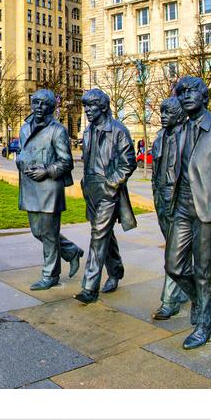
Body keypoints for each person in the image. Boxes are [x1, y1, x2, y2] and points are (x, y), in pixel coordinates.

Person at [165, 75, 211, 349]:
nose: (185, 96)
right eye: (181, 92)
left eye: (191, 92)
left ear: (205, 97)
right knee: (173, 265)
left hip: (208, 210)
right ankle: (198, 297)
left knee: (204, 270)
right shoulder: (181, 130)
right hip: (182, 207)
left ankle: (204, 323)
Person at [74, 88, 137, 304]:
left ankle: (89, 288)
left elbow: (129, 162)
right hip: (91, 189)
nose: (87, 111)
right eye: (85, 107)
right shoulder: (89, 131)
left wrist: (111, 185)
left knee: (98, 236)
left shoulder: (118, 130)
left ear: (102, 106)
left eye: (91, 106)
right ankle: (116, 270)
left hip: (108, 191)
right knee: (105, 235)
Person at [16, 89, 84, 290]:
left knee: (48, 233)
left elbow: (66, 162)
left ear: (51, 107)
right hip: (30, 186)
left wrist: (46, 171)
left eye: (44, 104)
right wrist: (21, 162)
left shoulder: (58, 130)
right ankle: (71, 252)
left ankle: (50, 275)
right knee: (38, 231)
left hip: (49, 187)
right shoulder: (24, 128)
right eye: (35, 103)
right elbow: (21, 152)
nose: (39, 107)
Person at [150, 97, 189, 319]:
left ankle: (169, 300)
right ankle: (186, 286)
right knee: (176, 249)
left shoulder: (189, 137)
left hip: (181, 200)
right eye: (162, 112)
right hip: (162, 198)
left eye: (168, 113)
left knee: (174, 252)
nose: (163, 116)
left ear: (180, 115)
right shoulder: (159, 138)